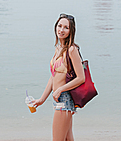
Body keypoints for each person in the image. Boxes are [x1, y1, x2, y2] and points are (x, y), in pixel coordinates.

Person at [33, 13, 85, 141]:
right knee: (67, 139)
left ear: (71, 30)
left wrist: (60, 89)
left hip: (65, 100)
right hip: (59, 100)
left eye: (66, 27)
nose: (61, 30)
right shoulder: (59, 48)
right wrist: (41, 99)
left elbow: (81, 78)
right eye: (59, 26)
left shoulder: (72, 50)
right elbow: (53, 77)